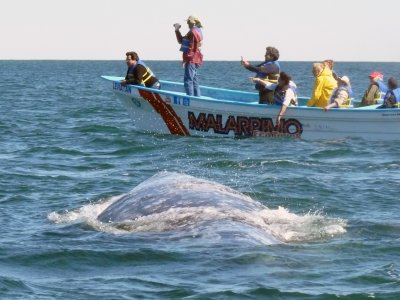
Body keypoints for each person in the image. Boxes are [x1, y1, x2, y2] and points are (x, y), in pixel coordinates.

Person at [174, 15, 203, 96]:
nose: (187, 23)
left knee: (188, 80)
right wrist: (177, 30)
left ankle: (191, 99)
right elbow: (182, 41)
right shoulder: (197, 31)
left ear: (192, 22)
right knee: (194, 80)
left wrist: (185, 60)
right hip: (196, 59)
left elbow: (191, 48)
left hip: (191, 59)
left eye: (188, 22)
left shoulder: (193, 32)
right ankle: (197, 98)